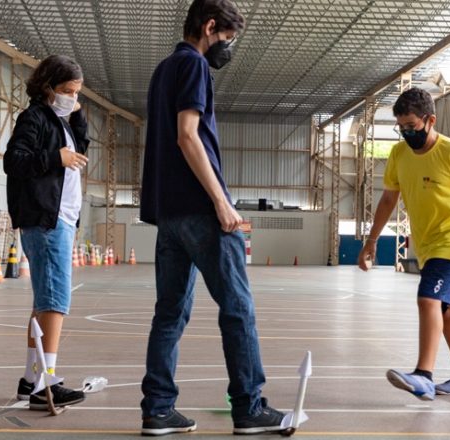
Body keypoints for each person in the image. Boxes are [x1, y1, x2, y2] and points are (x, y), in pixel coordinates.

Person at [138, 0, 286, 436]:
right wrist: (221, 200)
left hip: (167, 215)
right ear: (208, 27)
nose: (227, 48)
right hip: (200, 211)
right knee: (238, 309)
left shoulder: (162, 71)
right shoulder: (194, 67)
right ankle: (249, 407)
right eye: (227, 39)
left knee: (169, 314)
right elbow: (188, 136)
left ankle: (158, 410)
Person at [357, 87, 450, 401]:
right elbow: (389, 198)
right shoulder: (399, 155)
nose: (407, 134)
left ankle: (424, 375)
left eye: (412, 127)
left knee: (427, 300)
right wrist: (372, 240)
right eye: (401, 128)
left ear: (430, 120)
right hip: (428, 243)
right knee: (447, 310)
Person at [4, 54, 90, 411]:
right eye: (67, 90)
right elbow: (15, 161)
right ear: (47, 87)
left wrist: (78, 116)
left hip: (60, 219)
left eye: (76, 92)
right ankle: (45, 382)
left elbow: (79, 151)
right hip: (46, 220)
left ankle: (31, 379)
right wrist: (56, 158)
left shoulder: (61, 120)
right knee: (55, 301)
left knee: (44, 303)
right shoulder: (34, 118)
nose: (72, 96)